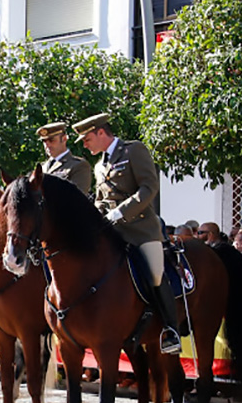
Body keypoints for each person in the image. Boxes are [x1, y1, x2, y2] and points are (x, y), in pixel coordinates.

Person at [72, 112, 180, 354]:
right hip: (112, 232)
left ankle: (170, 330)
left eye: (87, 139)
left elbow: (149, 187)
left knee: (154, 274)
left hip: (141, 230)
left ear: (101, 132)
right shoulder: (99, 166)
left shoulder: (133, 150)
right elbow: (101, 201)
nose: (85, 145)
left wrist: (120, 212)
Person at [36, 122, 91, 195]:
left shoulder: (78, 165)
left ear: (64, 138)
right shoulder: (43, 167)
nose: (47, 144)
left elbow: (77, 198)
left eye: (51, 140)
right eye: (44, 141)